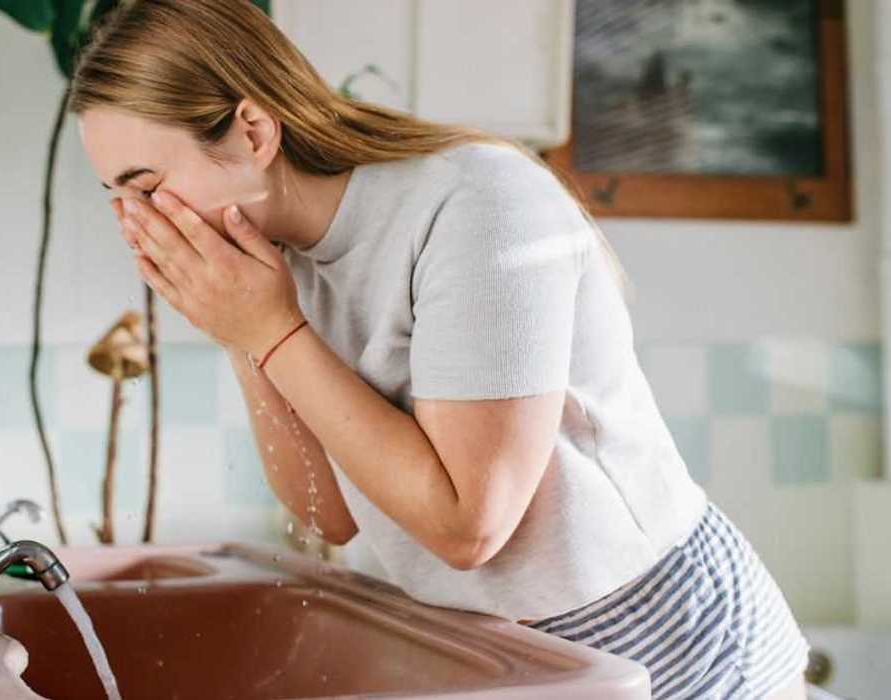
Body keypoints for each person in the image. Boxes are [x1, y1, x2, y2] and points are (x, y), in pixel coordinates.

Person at [69, 1, 809, 697]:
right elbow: (327, 513)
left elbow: (469, 525)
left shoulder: (477, 204)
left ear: (253, 133)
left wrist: (269, 331)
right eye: (118, 194)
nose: (135, 219)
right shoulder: (278, 263)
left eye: (148, 184)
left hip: (664, 638)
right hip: (513, 651)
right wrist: (242, 333)